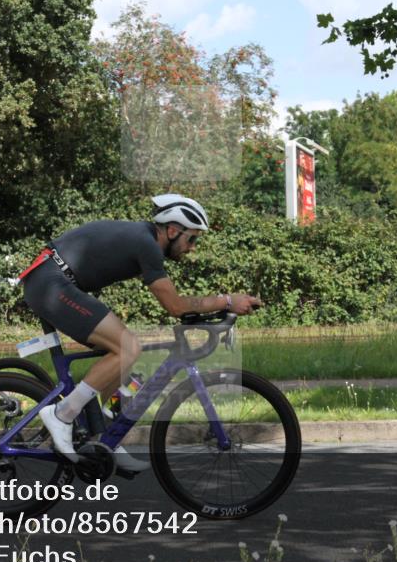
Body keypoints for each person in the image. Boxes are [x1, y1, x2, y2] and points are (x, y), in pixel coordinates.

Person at [20, 194, 260, 472]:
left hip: (53, 280)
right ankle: (62, 415)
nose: (192, 248)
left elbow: (178, 305)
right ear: (172, 230)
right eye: (191, 239)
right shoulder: (146, 244)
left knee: (124, 353)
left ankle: (102, 438)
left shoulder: (143, 238)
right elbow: (175, 305)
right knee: (127, 347)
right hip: (51, 284)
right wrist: (227, 301)